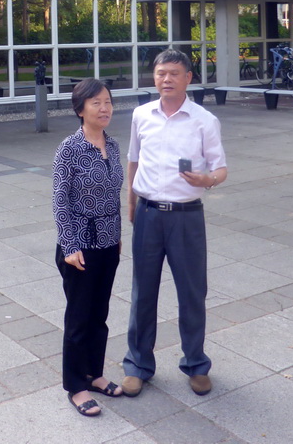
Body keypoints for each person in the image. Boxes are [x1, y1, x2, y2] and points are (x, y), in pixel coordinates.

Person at [122, 48, 227, 398]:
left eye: (173, 74)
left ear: (188, 79)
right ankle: (138, 365)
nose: (165, 79)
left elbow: (221, 168)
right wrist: (132, 200)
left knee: (192, 293)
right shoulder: (141, 115)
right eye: (160, 73)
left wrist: (206, 180)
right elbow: (134, 159)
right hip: (148, 216)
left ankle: (196, 364)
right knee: (142, 293)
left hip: (186, 218)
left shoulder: (203, 120)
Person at [52, 78, 125, 417]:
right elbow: (60, 200)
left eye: (108, 101)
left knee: (100, 316)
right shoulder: (69, 148)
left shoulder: (114, 145)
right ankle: (76, 387)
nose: (105, 107)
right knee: (79, 318)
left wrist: (118, 235)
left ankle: (94, 374)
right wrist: (69, 244)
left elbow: (113, 196)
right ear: (80, 110)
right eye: (96, 102)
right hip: (79, 246)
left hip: (108, 242)